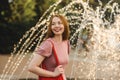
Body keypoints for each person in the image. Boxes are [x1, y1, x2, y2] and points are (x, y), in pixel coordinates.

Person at [28, 14, 70, 80]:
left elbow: (62, 68)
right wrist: (53, 74)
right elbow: (31, 67)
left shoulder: (66, 43)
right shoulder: (48, 44)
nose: (56, 26)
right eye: (53, 24)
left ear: (65, 25)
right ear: (50, 27)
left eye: (60, 23)